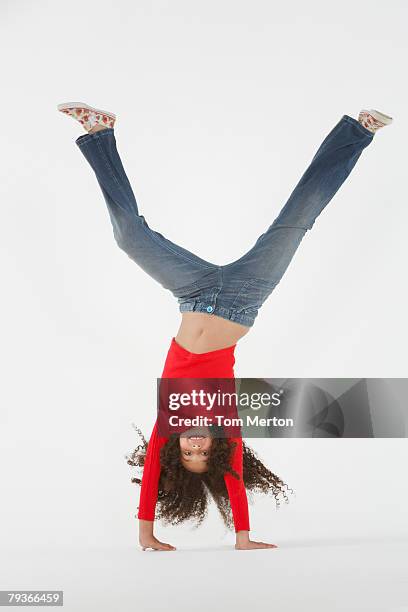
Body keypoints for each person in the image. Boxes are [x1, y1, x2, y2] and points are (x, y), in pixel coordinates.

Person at [58, 102, 392, 551]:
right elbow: (234, 480)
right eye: (204, 453)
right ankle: (358, 131)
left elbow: (149, 481)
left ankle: (99, 133)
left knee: (129, 237)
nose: (196, 445)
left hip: (192, 292)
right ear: (217, 449)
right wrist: (243, 538)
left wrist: (147, 534)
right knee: (296, 221)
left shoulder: (167, 424)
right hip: (244, 298)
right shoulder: (226, 425)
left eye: (187, 453)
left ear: (175, 453)